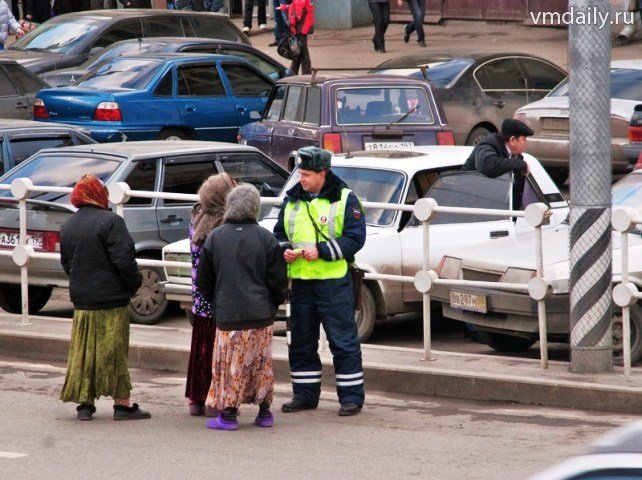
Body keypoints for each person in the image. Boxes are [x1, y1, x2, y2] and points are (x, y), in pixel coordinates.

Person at [273, 146, 366, 417]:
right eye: (300, 174)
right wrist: (284, 249)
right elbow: (278, 233)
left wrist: (322, 252)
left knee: (343, 342)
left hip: (333, 284)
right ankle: (304, 394)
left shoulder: (345, 199)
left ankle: (351, 398)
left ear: (322, 174)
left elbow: (355, 238)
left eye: (306, 174)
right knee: (300, 342)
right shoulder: (291, 201)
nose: (301, 179)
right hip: (300, 283)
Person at [59, 174, 151, 421]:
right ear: (100, 195)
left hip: (83, 300)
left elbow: (67, 264)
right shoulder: (111, 222)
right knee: (114, 351)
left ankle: (85, 405)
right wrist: (134, 286)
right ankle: (122, 404)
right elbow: (125, 262)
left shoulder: (68, 225)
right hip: (111, 300)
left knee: (85, 352)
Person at [197, 184, 288, 430]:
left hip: (228, 315)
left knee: (230, 366)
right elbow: (279, 281)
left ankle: (228, 415)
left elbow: (203, 281)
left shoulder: (216, 237)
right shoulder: (266, 238)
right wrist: (271, 305)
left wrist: (218, 303)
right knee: (261, 364)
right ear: (255, 208)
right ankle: (265, 412)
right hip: (260, 315)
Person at [185, 173, 236, 416]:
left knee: (200, 352)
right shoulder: (223, 226)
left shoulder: (195, 219)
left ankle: (196, 399)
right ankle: (217, 402)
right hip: (219, 300)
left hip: (199, 300)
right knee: (218, 353)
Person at [461, 118, 534, 209]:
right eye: (524, 139)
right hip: (468, 206)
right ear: (512, 140)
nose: (526, 143)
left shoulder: (516, 156)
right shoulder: (488, 144)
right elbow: (488, 166)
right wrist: (519, 164)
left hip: (496, 208)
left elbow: (516, 193)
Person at [279, 0, 314, 75]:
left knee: (302, 53)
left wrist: (291, 24)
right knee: (298, 51)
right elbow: (295, 7)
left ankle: (305, 74)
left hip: (300, 29)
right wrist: (285, 7)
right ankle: (295, 72)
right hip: (302, 28)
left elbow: (297, 14)